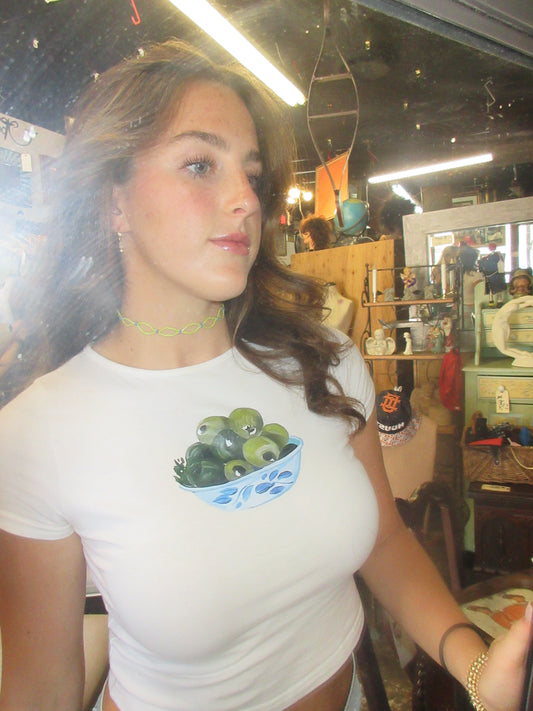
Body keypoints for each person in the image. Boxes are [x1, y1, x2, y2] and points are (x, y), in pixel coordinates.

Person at [0, 39, 530, 711]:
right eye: (200, 164)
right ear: (114, 202)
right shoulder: (41, 432)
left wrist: (474, 665)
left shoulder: (322, 361)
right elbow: (40, 688)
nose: (244, 200)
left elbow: (384, 538)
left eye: (251, 175)